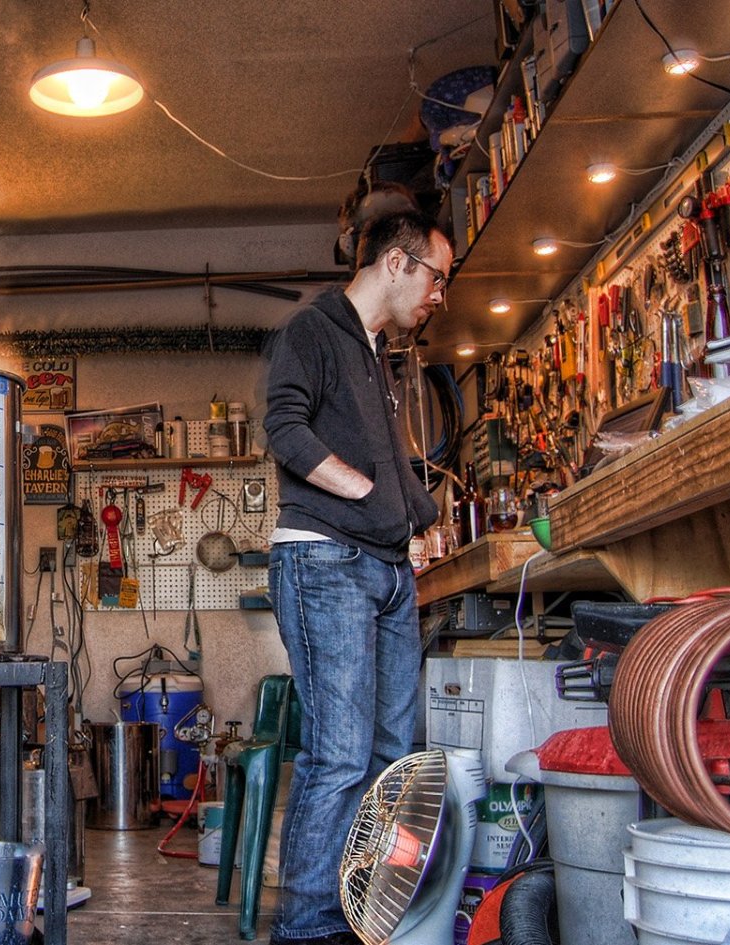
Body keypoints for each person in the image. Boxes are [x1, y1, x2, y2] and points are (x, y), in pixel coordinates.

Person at [260, 209, 448, 945]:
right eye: (437, 278)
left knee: (389, 758)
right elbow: (286, 430)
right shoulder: (312, 331)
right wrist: (368, 496)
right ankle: (309, 928)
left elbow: (390, 464)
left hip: (386, 569)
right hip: (327, 561)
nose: (439, 295)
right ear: (397, 263)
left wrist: (420, 515)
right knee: (339, 756)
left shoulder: (376, 355)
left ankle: (362, 914)